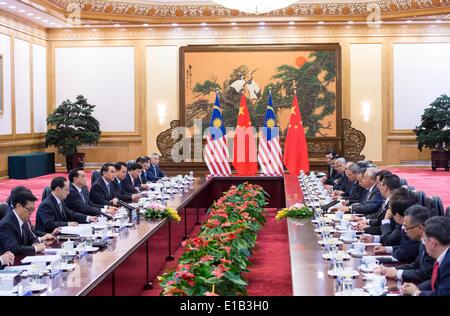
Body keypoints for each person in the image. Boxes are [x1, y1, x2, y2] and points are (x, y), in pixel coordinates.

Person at [377, 205, 434, 284]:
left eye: (406, 227)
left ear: (420, 228)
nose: (404, 230)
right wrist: (393, 270)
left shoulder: (432, 245)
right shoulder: (422, 239)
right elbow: (416, 265)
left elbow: (424, 274)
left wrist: (397, 273)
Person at [401, 216, 450, 296]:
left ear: (432, 243)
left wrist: (417, 293)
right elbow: (437, 282)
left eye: (424, 240)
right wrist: (416, 288)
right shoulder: (443, 256)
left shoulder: (448, 263)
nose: (423, 244)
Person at [0, 191, 47, 255]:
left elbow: (32, 238)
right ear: (18, 206)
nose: (31, 213)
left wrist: (35, 243)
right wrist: (35, 248)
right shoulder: (7, 224)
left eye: (33, 209)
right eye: (29, 209)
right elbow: (13, 248)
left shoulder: (23, 220)